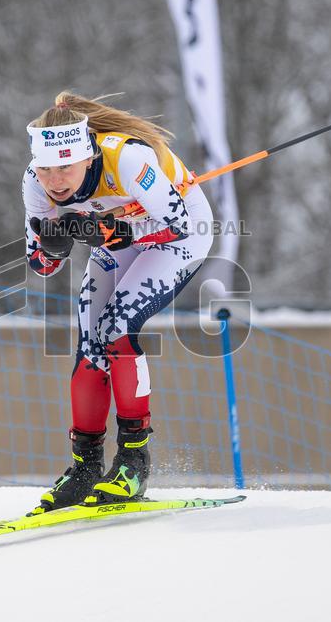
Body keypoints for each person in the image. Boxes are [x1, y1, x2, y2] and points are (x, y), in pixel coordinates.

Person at [24, 91, 214, 512]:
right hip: (119, 239)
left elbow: (179, 224)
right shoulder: (34, 185)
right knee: (90, 341)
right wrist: (52, 250)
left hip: (176, 236)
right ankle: (86, 466)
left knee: (118, 326)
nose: (55, 181)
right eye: (45, 169)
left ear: (88, 158)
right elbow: (39, 265)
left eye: (65, 168)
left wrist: (110, 232)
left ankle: (132, 462)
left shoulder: (126, 160)